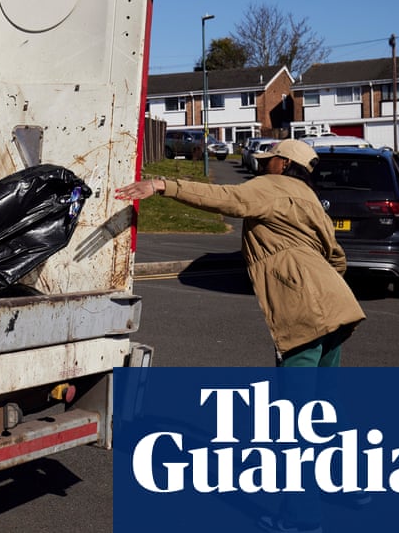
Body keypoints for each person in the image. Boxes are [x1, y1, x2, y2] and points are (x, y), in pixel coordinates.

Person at [117, 139, 367, 533]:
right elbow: (337, 256)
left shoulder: (273, 187)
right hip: (337, 309)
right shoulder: (310, 197)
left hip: (303, 314)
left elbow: (227, 198)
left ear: (284, 163)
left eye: (270, 160)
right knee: (324, 410)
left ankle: (302, 518)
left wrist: (164, 185)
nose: (265, 164)